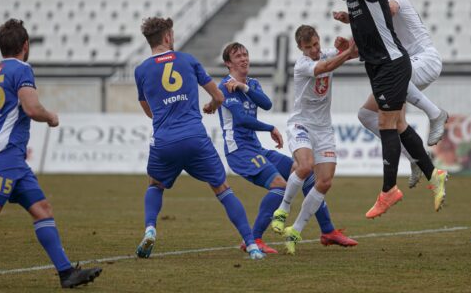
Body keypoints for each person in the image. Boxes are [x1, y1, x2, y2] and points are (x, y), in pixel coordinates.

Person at [286, 0, 447, 218]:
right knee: (394, 123)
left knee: (387, 124)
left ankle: (388, 191)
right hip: (378, 66)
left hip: (393, 64)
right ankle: (434, 174)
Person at [0, 19, 102, 288]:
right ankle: (66, 272)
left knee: (42, 210)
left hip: (9, 156)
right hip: (6, 154)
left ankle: (66, 273)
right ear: (25, 46)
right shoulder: (22, 70)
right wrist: (51, 118)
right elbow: (32, 109)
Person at [133, 17, 264, 260]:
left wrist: (165, 116)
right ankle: (252, 246)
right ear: (168, 37)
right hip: (194, 136)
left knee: (155, 184)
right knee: (223, 189)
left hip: (164, 140)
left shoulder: (140, 70)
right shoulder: (188, 60)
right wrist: (213, 104)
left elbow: (148, 110)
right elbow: (219, 96)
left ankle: (150, 228)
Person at [218, 42, 358, 254]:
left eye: (245, 54)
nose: (244, 59)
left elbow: (266, 104)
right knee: (280, 185)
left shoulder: (251, 84)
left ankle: (328, 231)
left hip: (255, 148)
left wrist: (244, 87)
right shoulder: (225, 86)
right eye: (238, 56)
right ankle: (253, 239)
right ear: (228, 63)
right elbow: (241, 119)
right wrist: (270, 127)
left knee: (304, 172)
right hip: (239, 151)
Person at [333, 0, 448, 189]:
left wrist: (354, 17)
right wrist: (347, 50)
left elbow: (392, 9)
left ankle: (435, 113)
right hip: (403, 65)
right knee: (367, 115)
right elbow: (360, 51)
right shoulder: (372, 17)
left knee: (393, 74)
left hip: (424, 60)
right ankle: (414, 158)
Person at [268, 25, 357, 255]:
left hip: (323, 129)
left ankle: (295, 230)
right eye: (309, 47)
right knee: (305, 166)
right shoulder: (302, 65)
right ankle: (282, 210)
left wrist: (350, 44)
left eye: (316, 44)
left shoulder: (326, 52)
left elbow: (354, 54)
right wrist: (345, 53)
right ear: (300, 48)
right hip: (301, 124)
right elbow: (327, 66)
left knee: (325, 181)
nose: (315, 50)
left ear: (319, 40)